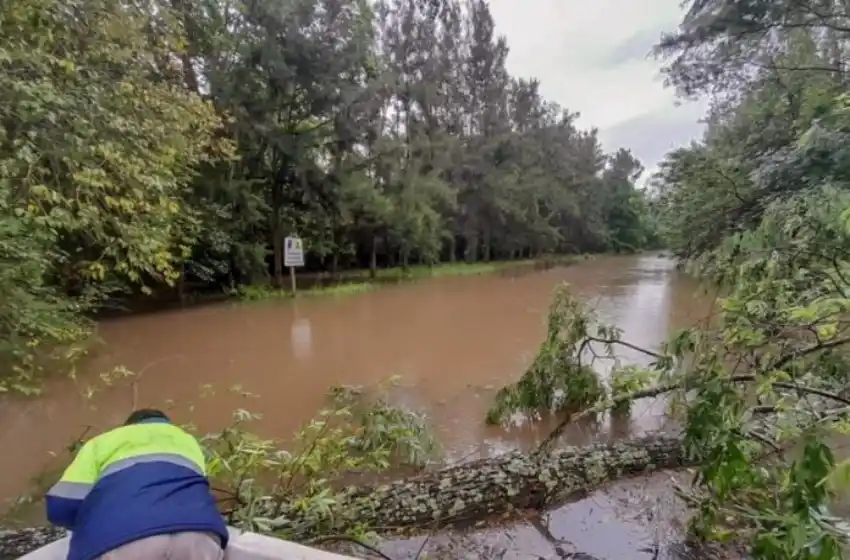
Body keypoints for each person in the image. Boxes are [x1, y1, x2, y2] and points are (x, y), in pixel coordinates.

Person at [45, 409, 229, 560]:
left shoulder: (102, 442)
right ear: (166, 425)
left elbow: (61, 506)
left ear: (129, 427)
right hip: (199, 537)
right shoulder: (188, 441)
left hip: (118, 543)